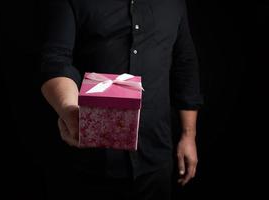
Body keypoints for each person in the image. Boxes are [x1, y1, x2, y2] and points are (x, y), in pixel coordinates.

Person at [40, 0, 204, 199]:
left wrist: (189, 135)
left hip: (156, 157)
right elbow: (56, 61)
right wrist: (67, 108)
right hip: (90, 161)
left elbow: (185, 65)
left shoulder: (174, 3)